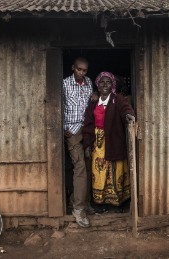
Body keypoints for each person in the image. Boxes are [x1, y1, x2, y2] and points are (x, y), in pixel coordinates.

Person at [82, 71, 135, 213]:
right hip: (98, 143)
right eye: (102, 82)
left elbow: (125, 108)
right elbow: (88, 123)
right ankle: (101, 202)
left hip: (114, 140)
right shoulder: (93, 102)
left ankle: (119, 203)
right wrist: (87, 144)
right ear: (97, 85)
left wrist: (129, 115)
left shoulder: (117, 99)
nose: (105, 85)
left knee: (116, 171)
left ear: (112, 85)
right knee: (99, 171)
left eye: (108, 82)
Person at [63, 57, 97, 228]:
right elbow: (58, 106)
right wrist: (64, 127)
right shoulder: (64, 84)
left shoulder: (89, 82)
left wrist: (94, 97)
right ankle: (78, 209)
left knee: (89, 166)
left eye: (84, 70)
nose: (81, 73)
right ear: (73, 68)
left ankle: (85, 202)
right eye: (79, 69)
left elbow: (90, 103)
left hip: (87, 130)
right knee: (80, 168)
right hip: (73, 131)